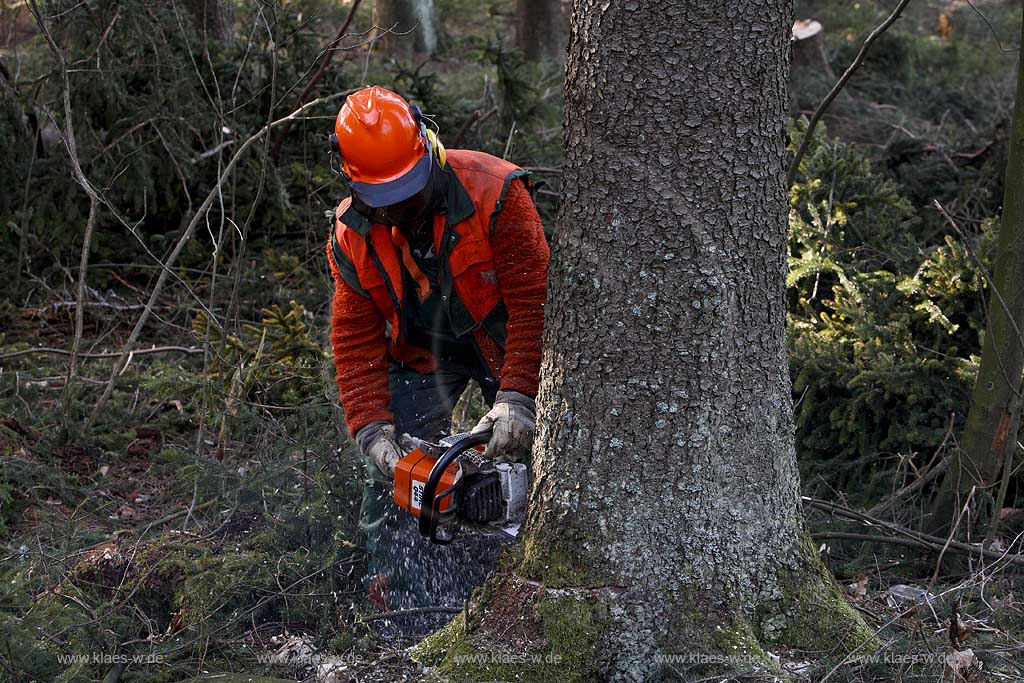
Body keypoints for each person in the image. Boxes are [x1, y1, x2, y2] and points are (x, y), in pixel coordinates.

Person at [324, 85, 549, 633]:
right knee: (395, 473)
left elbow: (534, 299)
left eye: (408, 187)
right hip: (421, 349)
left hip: (501, 336)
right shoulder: (351, 235)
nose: (401, 203)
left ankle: (523, 591)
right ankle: (402, 601)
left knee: (532, 460)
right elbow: (354, 339)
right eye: (386, 195)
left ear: (428, 147)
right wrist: (372, 431)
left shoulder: (494, 192)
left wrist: (518, 397)